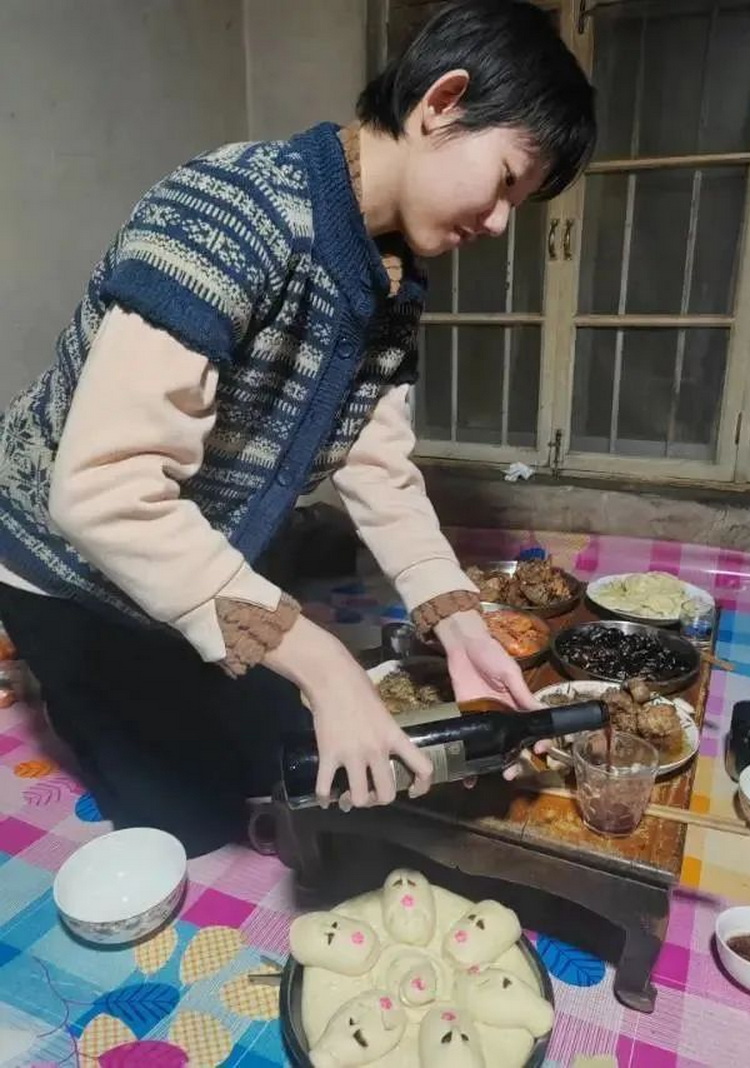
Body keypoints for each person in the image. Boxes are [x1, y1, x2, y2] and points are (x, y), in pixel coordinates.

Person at [0, 0, 595, 857]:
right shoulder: (230, 212)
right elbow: (100, 493)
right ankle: (71, 689)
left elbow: (378, 466)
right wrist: (318, 658)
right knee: (196, 824)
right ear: (442, 103)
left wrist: (461, 624)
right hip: (66, 565)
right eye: (506, 180)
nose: (500, 222)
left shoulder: (393, 277)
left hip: (182, 549)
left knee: (294, 757)